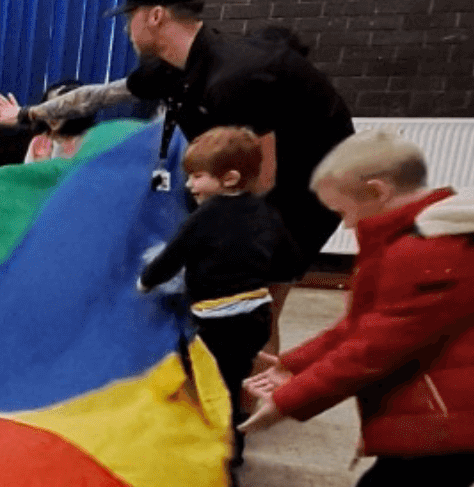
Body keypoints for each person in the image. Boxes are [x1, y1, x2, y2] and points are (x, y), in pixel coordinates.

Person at [241, 130, 474, 487]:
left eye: (345, 211)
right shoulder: (424, 237)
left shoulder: (428, 250)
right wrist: (290, 365)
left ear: (378, 191)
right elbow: (361, 327)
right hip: (461, 412)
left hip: (454, 415)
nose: (345, 225)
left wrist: (288, 401)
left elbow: (375, 348)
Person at [112, 0, 354, 354]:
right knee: (239, 299)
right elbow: (109, 94)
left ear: (156, 15)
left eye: (130, 17)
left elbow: (262, 181)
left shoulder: (235, 79)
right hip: (271, 183)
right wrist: (36, 113)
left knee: (254, 304)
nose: (125, 28)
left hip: (304, 191)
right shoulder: (177, 68)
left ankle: (253, 385)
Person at [138, 126, 296, 467]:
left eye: (197, 177)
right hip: (257, 316)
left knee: (211, 382)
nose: (190, 185)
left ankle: (220, 449)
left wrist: (146, 281)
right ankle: (229, 442)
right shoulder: (265, 212)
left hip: (220, 320)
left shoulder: (205, 216)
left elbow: (173, 256)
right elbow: (288, 258)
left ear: (229, 178)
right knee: (233, 378)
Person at [0, 79, 97, 164]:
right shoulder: (38, 142)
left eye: (60, 108)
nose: (52, 114)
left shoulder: (88, 142)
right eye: (47, 107)